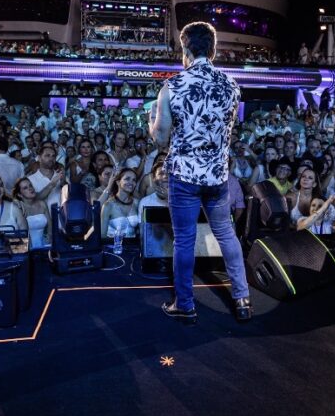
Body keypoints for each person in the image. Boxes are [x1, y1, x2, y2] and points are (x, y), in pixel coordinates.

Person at [149, 21, 251, 323]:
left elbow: (161, 138)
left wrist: (151, 121)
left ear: (185, 49)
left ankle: (185, 305)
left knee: (184, 240)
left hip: (184, 177)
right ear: (213, 49)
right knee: (227, 234)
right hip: (218, 177)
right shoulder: (232, 86)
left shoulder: (172, 86)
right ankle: (243, 299)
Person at [13, 177, 52, 249]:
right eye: (25, 188)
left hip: (44, 244)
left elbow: (50, 225)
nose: (30, 188)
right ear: (19, 195)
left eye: (30, 185)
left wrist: (49, 237)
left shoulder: (42, 204)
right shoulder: (18, 207)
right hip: (26, 245)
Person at [101, 168, 140, 238]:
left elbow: (141, 231)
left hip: (133, 243)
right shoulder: (108, 205)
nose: (131, 182)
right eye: (127, 179)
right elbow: (102, 235)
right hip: (112, 244)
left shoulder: (137, 203)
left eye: (134, 180)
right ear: (118, 182)